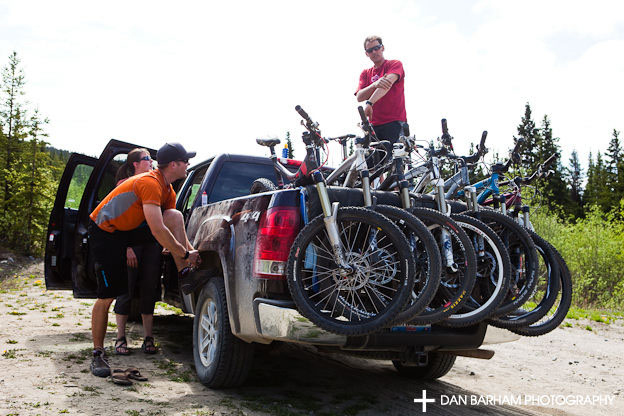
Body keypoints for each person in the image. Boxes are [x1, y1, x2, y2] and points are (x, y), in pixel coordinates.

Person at [88, 142, 200, 378]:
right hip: (105, 231)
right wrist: (182, 251)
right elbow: (158, 230)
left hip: (127, 230)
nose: (188, 164)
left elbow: (171, 223)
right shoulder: (150, 182)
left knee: (175, 214)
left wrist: (190, 253)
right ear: (174, 164)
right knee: (107, 296)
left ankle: (184, 273)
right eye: (186, 161)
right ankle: (98, 353)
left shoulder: (167, 188)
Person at [112, 148, 161, 356]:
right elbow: (117, 218)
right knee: (125, 290)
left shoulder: (152, 183)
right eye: (147, 159)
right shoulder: (124, 185)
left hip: (151, 244)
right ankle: (120, 338)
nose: (151, 161)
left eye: (151, 158)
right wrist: (127, 247)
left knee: (149, 289)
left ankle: (148, 338)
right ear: (135, 164)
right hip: (131, 244)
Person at [355, 35, 408, 144]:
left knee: (395, 159)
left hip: (395, 123)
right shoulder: (365, 73)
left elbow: (387, 84)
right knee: (373, 160)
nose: (374, 52)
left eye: (376, 48)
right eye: (370, 50)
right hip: (373, 126)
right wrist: (375, 84)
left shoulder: (394, 64)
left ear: (382, 48)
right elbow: (360, 96)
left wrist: (370, 102)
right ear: (366, 54)